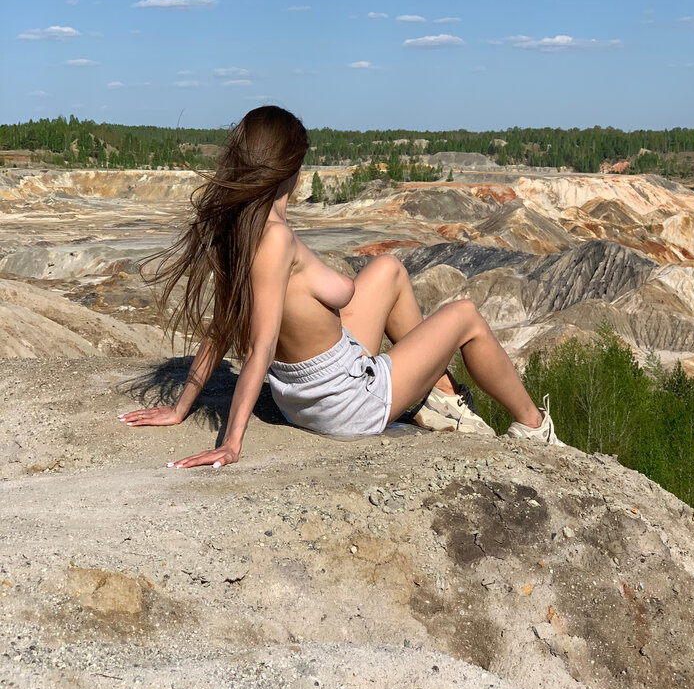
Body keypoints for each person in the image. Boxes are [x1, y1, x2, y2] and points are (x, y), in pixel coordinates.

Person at [119, 105, 563, 467]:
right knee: (465, 315)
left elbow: (220, 329)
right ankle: (533, 427)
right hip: (349, 401)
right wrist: (231, 443)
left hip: (311, 389)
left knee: (389, 268)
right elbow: (260, 345)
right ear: (292, 169)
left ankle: (442, 398)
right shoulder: (275, 239)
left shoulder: (239, 228)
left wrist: (181, 407)